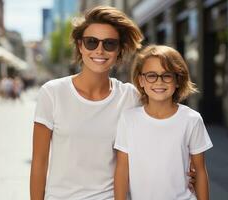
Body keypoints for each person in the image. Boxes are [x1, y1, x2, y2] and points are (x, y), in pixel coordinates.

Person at [30, 6, 195, 200]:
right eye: (91, 42)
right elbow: (39, 164)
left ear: (119, 51)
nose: (100, 50)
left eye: (109, 44)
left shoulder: (131, 97)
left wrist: (188, 168)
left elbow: (159, 136)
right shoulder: (52, 93)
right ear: (80, 46)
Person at [114, 45, 213, 200]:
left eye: (167, 75)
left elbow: (200, 171)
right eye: (151, 75)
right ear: (141, 80)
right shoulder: (128, 119)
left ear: (178, 80)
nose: (159, 82)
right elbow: (122, 169)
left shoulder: (192, 119)